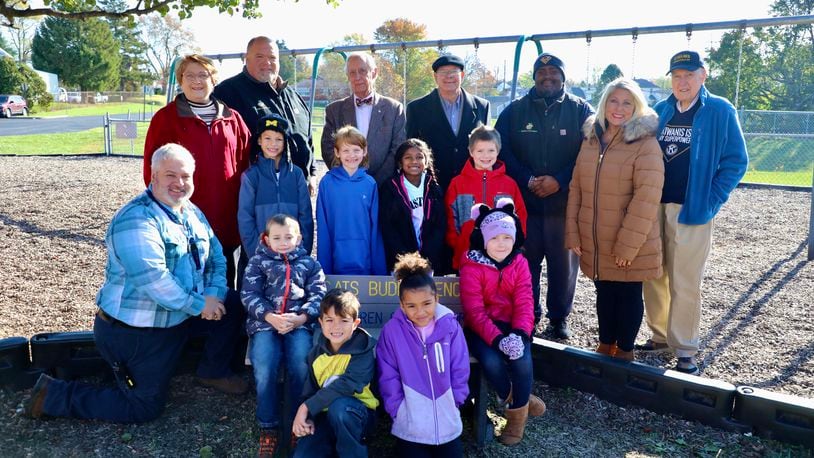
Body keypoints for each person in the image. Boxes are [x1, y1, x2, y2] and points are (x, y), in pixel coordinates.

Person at [24, 144, 248, 424]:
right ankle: (56, 395)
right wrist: (202, 304)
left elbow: (216, 255)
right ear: (153, 176)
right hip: (138, 331)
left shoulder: (188, 210)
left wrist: (214, 296)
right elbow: (155, 281)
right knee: (143, 408)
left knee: (233, 303)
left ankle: (212, 370)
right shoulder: (136, 219)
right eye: (170, 175)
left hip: (179, 315)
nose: (179, 183)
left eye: (186, 176)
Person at [637, 51, 748, 375]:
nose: (682, 82)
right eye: (676, 76)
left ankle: (684, 347)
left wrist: (711, 199)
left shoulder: (719, 110)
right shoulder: (661, 110)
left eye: (688, 75)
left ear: (703, 75)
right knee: (654, 275)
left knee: (685, 282)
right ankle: (659, 336)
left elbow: (736, 161)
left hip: (692, 210)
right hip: (656, 205)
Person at [564, 78, 665, 362]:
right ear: (604, 103)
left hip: (628, 239)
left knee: (628, 294)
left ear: (636, 107)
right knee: (604, 292)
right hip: (595, 236)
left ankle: (624, 351)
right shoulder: (591, 139)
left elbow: (646, 198)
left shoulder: (645, 144)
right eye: (613, 101)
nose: (618, 108)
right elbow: (576, 188)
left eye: (626, 103)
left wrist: (628, 246)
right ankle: (605, 344)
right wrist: (572, 232)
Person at [496, 52, 593, 338]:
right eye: (542, 73)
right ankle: (529, 313)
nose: (548, 77)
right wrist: (527, 178)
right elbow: (502, 150)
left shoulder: (581, 110)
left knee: (563, 267)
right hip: (526, 206)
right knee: (526, 264)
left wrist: (560, 180)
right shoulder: (515, 111)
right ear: (535, 77)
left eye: (554, 73)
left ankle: (559, 318)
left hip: (564, 205)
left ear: (564, 78)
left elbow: (588, 154)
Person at [143, 54, 252, 290]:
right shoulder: (166, 119)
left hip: (227, 221)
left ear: (213, 80)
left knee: (225, 283)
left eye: (203, 75)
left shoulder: (232, 119)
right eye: (189, 75)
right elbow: (151, 172)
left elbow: (246, 167)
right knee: (187, 282)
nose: (196, 81)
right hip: (184, 221)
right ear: (181, 81)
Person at [460, 198, 546, 446]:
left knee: (522, 360)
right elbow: (475, 311)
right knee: (490, 360)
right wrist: (498, 339)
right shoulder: (472, 266)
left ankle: (516, 421)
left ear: (515, 239)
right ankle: (520, 401)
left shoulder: (519, 263)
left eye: (507, 238)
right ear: (484, 240)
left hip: (514, 325)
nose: (501, 244)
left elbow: (525, 302)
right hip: (483, 329)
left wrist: (519, 334)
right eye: (495, 238)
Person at [240, 214, 326, 457]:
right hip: (265, 324)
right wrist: (269, 316)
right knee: (265, 364)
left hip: (297, 323)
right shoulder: (258, 262)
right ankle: (268, 426)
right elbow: (248, 295)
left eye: (289, 237)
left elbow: (318, 295)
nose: (283, 242)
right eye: (277, 238)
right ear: (267, 240)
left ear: (299, 238)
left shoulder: (309, 264)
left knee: (301, 362)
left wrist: (301, 318)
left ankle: (295, 423)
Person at [376, 252, 470, 457]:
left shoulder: (449, 325)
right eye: (411, 306)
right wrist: (397, 409)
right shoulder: (392, 331)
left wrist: (456, 399)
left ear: (436, 298)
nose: (420, 312)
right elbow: (387, 375)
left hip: (447, 423)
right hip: (411, 426)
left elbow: (460, 366)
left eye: (427, 303)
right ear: (402, 305)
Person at [214, 36, 316, 192]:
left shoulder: (294, 97)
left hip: (299, 194)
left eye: (272, 57)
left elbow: (307, 140)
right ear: (246, 59)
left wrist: (312, 174)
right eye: (259, 56)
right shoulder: (227, 93)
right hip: (259, 196)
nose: (267, 62)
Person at [292, 289, 379, 457]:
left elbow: (346, 386)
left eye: (344, 320)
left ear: (355, 323)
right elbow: (310, 391)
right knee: (304, 454)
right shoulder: (315, 355)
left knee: (340, 408)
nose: (336, 327)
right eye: (329, 320)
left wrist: (305, 407)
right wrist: (308, 416)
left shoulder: (363, 350)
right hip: (323, 416)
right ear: (321, 322)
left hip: (357, 414)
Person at [445, 125, 528, 271]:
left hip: (502, 257)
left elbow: (520, 215)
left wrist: (516, 243)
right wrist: (457, 242)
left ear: (498, 151)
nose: (486, 156)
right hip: (467, 254)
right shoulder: (457, 183)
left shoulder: (509, 184)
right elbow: (450, 217)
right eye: (480, 151)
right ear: (471, 152)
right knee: (471, 293)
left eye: (491, 150)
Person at [406, 54, 490, 192]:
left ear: (462, 75)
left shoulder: (482, 106)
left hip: (471, 184)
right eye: (443, 73)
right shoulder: (416, 108)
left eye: (453, 72)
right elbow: (411, 149)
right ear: (435, 77)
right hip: (432, 186)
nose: (448, 76)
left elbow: (487, 145)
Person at [321, 52, 406, 185]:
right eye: (352, 73)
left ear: (374, 73)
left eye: (362, 71)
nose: (357, 77)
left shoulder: (394, 109)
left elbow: (398, 149)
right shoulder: (334, 110)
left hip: (384, 188)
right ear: (347, 77)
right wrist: (349, 177)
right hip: (346, 187)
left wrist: (372, 182)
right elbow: (328, 148)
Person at [238, 114, 314, 257]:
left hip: (294, 254)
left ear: (286, 142)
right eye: (268, 138)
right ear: (259, 141)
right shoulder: (251, 176)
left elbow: (306, 216)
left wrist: (302, 251)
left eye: (279, 139)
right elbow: (245, 218)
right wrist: (257, 255)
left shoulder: (296, 174)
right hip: (263, 256)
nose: (273, 144)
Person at [316, 125, 387, 275]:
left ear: (364, 151)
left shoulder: (370, 184)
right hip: (336, 259)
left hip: (364, 259)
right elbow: (323, 226)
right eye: (346, 150)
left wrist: (378, 270)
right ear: (337, 152)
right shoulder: (327, 183)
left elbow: (375, 229)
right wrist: (325, 269)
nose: (351, 155)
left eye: (356, 150)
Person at [378, 138, 447, 273]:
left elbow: (440, 225)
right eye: (408, 158)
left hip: (429, 260)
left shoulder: (434, 188)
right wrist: (405, 257)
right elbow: (388, 227)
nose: (414, 161)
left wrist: (427, 256)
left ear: (426, 162)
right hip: (400, 260)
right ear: (400, 162)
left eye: (419, 157)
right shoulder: (390, 188)